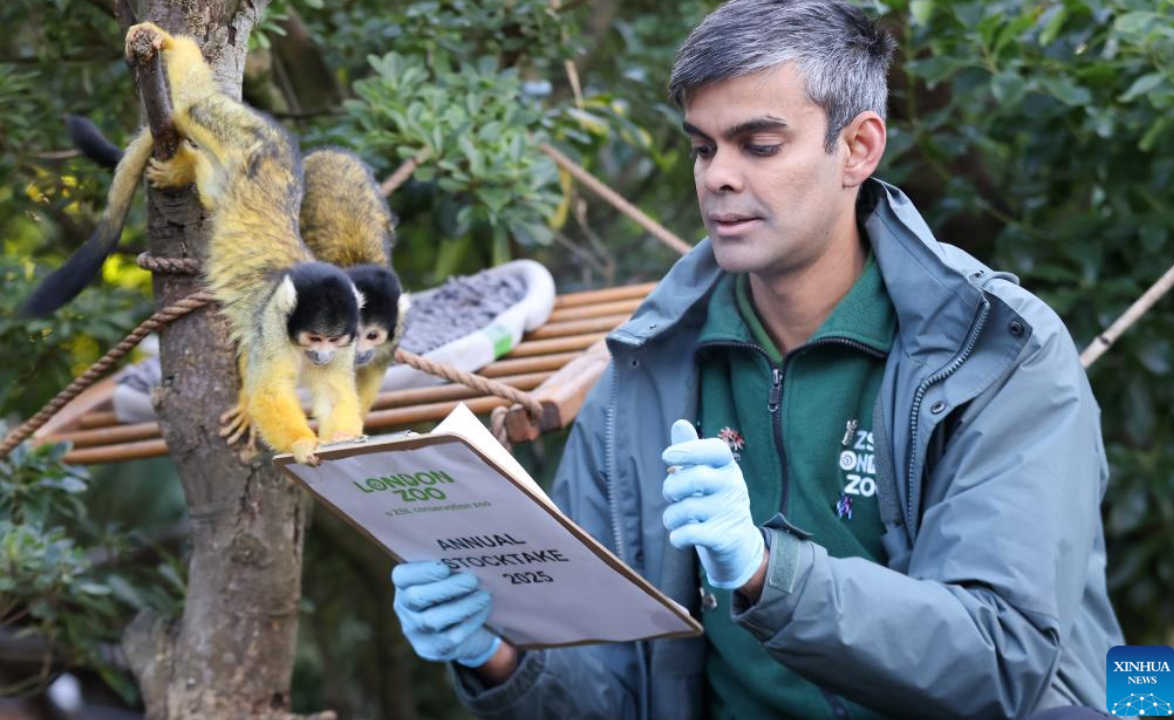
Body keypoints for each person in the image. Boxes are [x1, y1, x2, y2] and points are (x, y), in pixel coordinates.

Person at [388, 1, 1125, 718]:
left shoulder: (998, 352)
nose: (718, 177)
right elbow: (616, 683)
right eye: (703, 147)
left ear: (859, 148)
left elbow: (1004, 659)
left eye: (759, 145)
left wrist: (768, 573)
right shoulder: (641, 374)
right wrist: (498, 655)